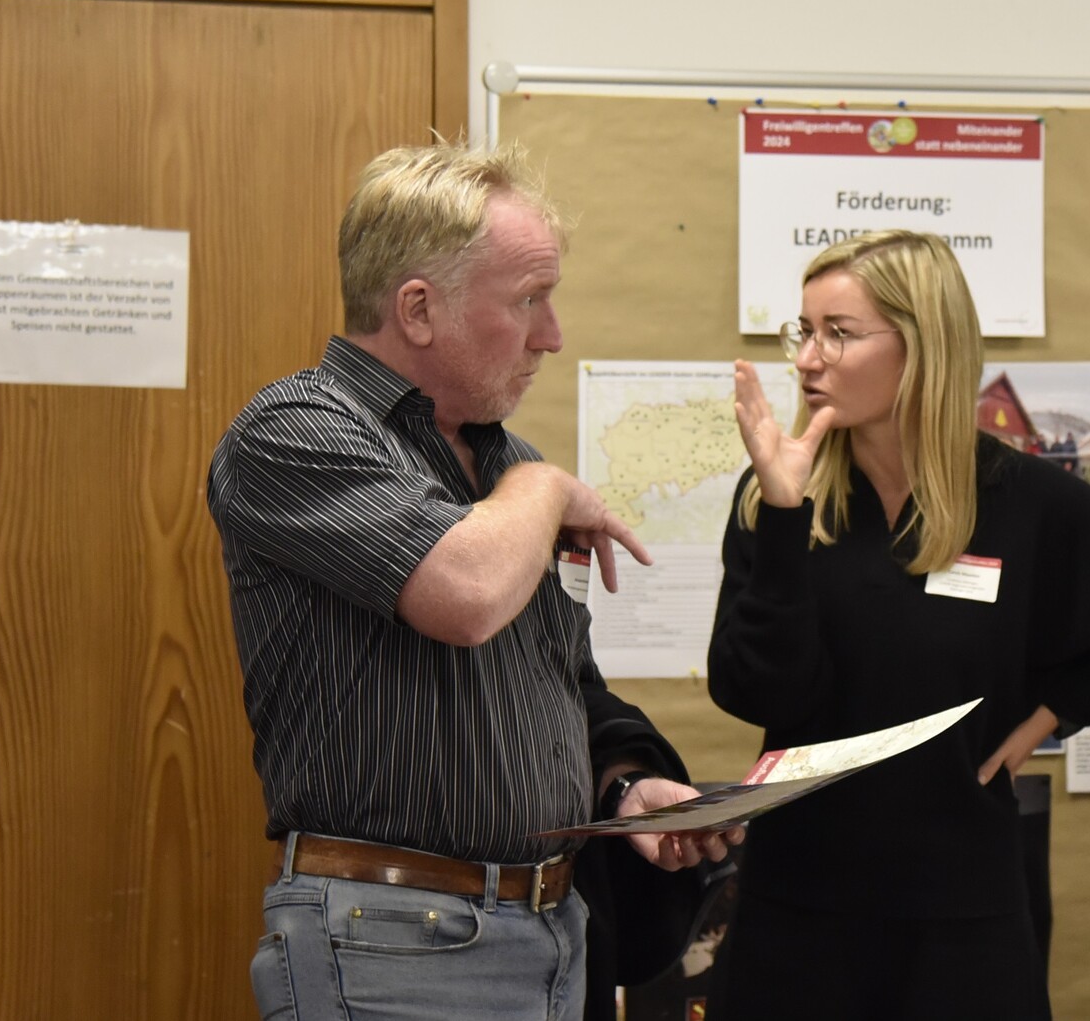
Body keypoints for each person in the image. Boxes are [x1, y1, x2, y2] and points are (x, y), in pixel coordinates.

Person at [208, 142, 737, 1021]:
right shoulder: (293, 429)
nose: (552, 334)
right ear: (418, 308)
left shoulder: (504, 463)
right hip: (390, 942)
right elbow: (464, 593)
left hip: (549, 933)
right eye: (529, 299)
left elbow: (560, 685)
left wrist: (624, 791)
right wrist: (547, 486)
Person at [706, 230, 1090, 1020]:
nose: (806, 359)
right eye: (803, 331)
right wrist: (782, 518)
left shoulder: (1021, 499)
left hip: (962, 922)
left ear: (922, 345)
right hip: (797, 912)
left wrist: (1058, 704)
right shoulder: (778, 496)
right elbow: (756, 687)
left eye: (839, 333)